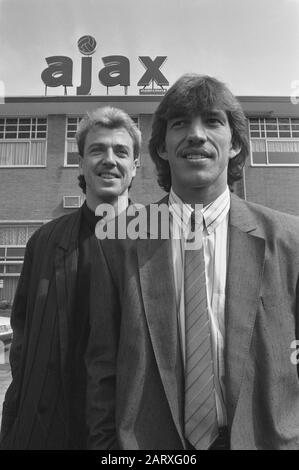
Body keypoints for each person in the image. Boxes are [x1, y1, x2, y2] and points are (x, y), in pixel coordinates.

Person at [86, 74, 299, 450]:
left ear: (234, 144)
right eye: (180, 123)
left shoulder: (288, 240)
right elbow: (102, 367)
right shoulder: (118, 240)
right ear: (163, 148)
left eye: (213, 121)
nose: (196, 134)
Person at [0, 106, 141, 449]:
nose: (109, 159)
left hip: (128, 433)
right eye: (97, 150)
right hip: (47, 427)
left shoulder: (161, 241)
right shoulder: (45, 243)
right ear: (80, 164)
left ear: (136, 167)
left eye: (121, 151)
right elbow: (23, 336)